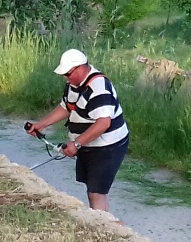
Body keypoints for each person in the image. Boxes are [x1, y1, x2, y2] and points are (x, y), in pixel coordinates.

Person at [23, 48, 130, 212]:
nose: (66, 78)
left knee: (96, 193)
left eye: (68, 74)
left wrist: (77, 144)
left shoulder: (98, 88)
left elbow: (103, 123)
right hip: (89, 144)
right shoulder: (73, 84)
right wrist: (41, 124)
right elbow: (67, 107)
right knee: (91, 188)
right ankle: (100, 222)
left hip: (108, 146)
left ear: (80, 68)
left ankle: (108, 229)